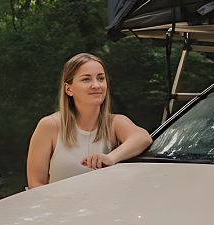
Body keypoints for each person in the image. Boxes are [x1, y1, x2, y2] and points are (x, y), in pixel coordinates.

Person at [26, 53, 152, 188]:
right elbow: (36, 183)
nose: (96, 85)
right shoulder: (49, 126)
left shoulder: (115, 123)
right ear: (68, 89)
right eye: (86, 79)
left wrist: (110, 158)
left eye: (101, 78)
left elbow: (143, 138)